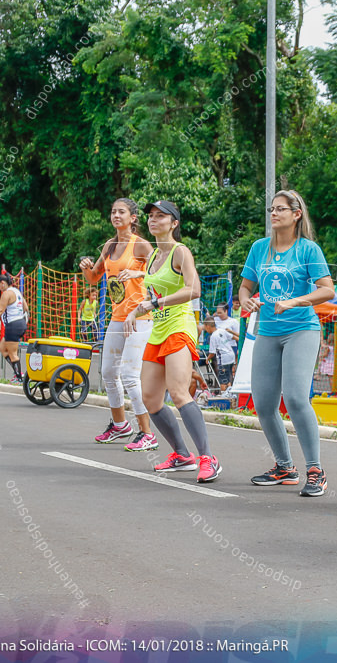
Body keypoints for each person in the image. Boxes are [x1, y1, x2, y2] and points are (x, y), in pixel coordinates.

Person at [241, 190, 335, 497]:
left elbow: (327, 291)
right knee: (264, 403)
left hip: (302, 329)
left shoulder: (308, 249)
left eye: (280, 209)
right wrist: (247, 301)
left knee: (295, 398)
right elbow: (245, 287)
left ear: (296, 214)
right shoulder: (259, 248)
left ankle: (315, 470)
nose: (273, 214)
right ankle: (284, 467)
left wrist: (294, 302)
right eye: (271, 209)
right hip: (268, 331)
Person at [125, 200, 220, 483]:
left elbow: (194, 289)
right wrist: (138, 307)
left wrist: (153, 303)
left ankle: (208, 458)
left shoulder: (181, 252)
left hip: (179, 326)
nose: (154, 221)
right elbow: (153, 292)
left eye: (161, 217)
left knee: (179, 392)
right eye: (151, 216)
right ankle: (181, 454)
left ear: (174, 223)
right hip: (158, 329)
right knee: (150, 398)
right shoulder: (153, 255)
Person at [79, 198, 156, 452]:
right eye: (112, 211)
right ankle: (120, 425)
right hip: (117, 316)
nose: (115, 215)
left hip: (140, 317)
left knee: (130, 376)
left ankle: (147, 433)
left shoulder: (141, 245)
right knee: (108, 372)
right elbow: (93, 278)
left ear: (133, 218)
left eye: (121, 212)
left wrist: (139, 273)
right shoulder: (110, 246)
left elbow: (164, 271)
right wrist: (86, 269)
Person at [0, 274, 29, 384]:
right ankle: (17, 373)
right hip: (20, 323)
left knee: (12, 353)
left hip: (13, 325)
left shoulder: (6, 294)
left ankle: (19, 378)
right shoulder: (17, 291)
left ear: (3, 283)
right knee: (2, 348)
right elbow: (26, 308)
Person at [204, 315, 236, 394]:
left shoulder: (213, 336)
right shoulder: (221, 330)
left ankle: (223, 397)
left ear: (208, 326)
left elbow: (212, 352)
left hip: (223, 358)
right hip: (231, 356)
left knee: (222, 380)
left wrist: (207, 359)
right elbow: (233, 337)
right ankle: (230, 395)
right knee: (228, 377)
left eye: (205, 327)